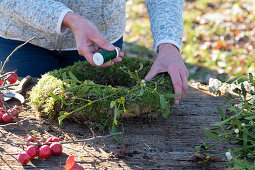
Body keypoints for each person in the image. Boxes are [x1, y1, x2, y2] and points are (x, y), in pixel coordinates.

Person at [0, 0, 188, 105]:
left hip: (99, 42)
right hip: (21, 38)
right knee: (23, 117)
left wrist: (168, 43)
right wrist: (67, 18)